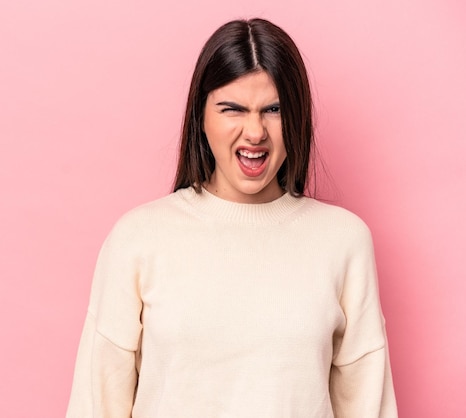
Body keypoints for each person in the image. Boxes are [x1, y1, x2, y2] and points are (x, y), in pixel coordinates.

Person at [66, 18, 397, 417]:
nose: (255, 131)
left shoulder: (343, 241)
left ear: (297, 117)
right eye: (232, 109)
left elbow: (368, 405)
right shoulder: (139, 238)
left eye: (273, 109)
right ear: (201, 118)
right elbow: (96, 404)